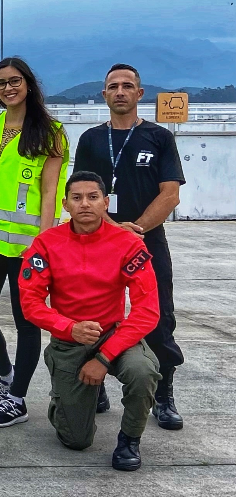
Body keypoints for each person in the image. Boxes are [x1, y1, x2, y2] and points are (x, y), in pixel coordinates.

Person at [19, 171, 161, 471]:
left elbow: (147, 310)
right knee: (76, 440)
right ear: (65, 204)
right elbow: (30, 303)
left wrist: (105, 357)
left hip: (113, 335)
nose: (85, 204)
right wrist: (68, 327)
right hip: (69, 339)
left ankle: (129, 440)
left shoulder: (128, 244)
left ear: (105, 202)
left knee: (143, 371)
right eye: (77, 198)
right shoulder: (46, 244)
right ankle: (66, 400)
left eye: (93, 197)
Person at [73, 63, 185, 430]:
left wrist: (135, 228)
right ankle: (96, 383)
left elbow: (170, 195)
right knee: (93, 315)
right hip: (97, 241)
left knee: (157, 317)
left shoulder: (159, 138)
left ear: (140, 94)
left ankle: (162, 394)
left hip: (146, 241)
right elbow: (79, 193)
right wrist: (110, 227)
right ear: (104, 95)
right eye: (112, 86)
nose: (120, 91)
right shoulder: (90, 139)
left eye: (127, 86)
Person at [0, 57, 69, 428]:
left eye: (15, 81)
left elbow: (51, 190)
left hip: (27, 247)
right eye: (1, 83)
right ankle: (6, 374)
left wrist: (47, 241)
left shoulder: (51, 131)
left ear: (29, 84)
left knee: (27, 321)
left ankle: (17, 397)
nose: (8, 88)